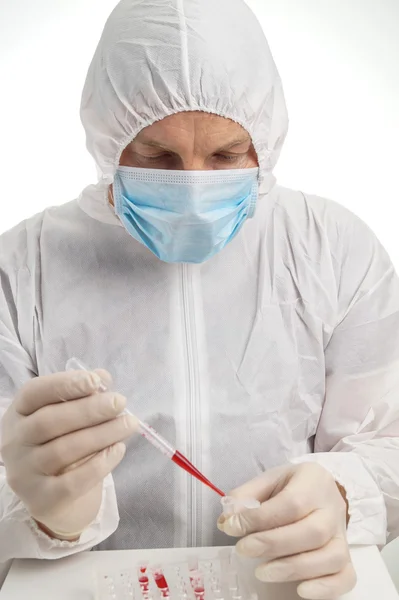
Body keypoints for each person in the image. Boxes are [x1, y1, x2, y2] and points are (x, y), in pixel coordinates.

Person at [0, 0, 398, 598]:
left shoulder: (331, 249)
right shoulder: (23, 267)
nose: (192, 187)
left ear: (264, 142)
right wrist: (47, 511)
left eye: (226, 156)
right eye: (158, 157)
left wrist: (341, 491)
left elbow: (389, 441)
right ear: (108, 139)